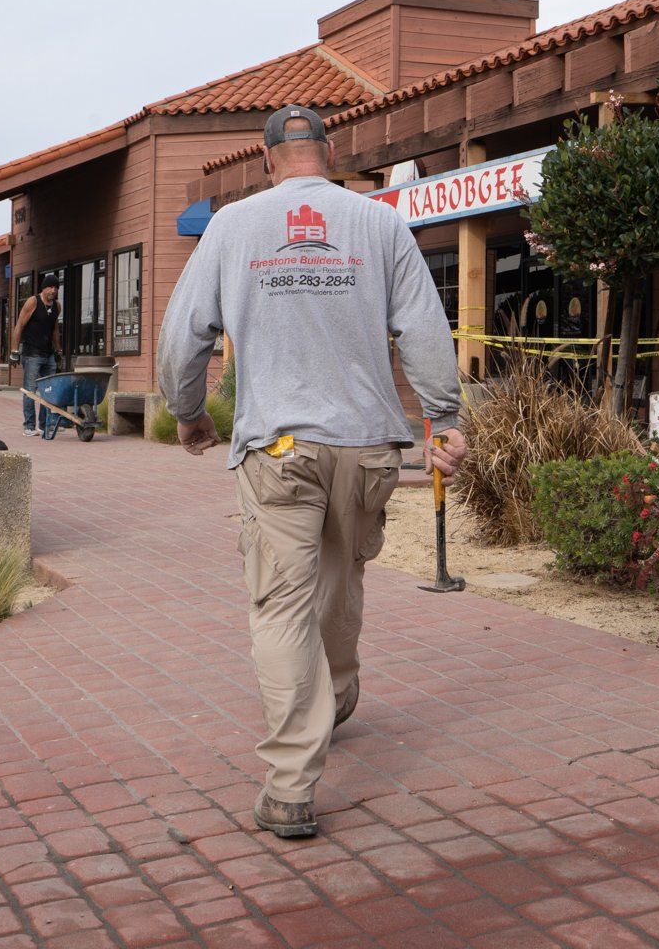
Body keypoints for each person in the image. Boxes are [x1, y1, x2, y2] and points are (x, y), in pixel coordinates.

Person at [157, 105, 469, 840]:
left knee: (280, 604)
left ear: (270, 161)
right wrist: (445, 418)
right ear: (327, 155)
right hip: (366, 447)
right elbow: (424, 329)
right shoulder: (380, 223)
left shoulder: (233, 227)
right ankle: (337, 691)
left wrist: (190, 411)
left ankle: (293, 785)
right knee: (341, 574)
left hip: (278, 449)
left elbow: (182, 334)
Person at [13, 273, 62, 436]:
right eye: (50, 287)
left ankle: (44, 424)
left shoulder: (57, 306)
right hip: (32, 353)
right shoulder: (33, 302)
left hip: (48, 354)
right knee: (31, 390)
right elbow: (19, 325)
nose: (53, 290)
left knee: (48, 390)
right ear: (44, 287)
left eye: (56, 288)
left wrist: (58, 350)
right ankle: (29, 426)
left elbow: (55, 330)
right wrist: (14, 351)